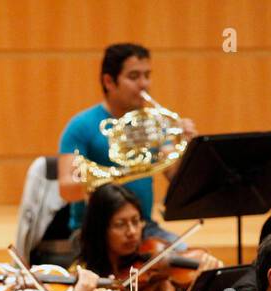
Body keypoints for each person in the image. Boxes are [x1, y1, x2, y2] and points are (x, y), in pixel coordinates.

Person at [58, 42, 199, 241]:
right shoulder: (81, 126)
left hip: (143, 227)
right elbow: (66, 188)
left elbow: (177, 179)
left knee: (191, 261)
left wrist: (186, 147)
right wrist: (115, 178)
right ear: (109, 81)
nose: (144, 84)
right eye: (134, 76)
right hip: (93, 232)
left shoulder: (153, 123)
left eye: (147, 75)